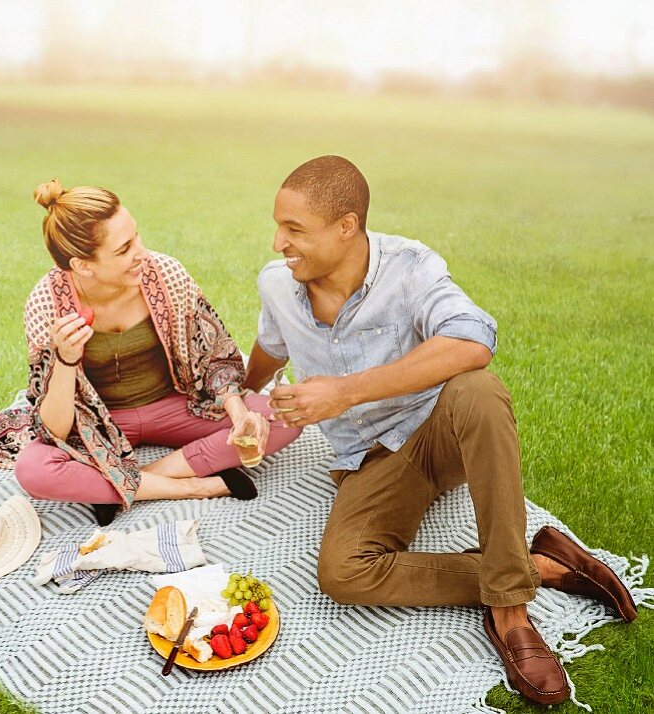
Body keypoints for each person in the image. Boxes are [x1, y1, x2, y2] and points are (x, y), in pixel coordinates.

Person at [243, 156, 637, 706]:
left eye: (294, 230)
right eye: (278, 225)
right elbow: (270, 346)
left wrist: (344, 390)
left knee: (479, 388)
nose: (277, 242)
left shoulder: (410, 267)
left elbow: (473, 340)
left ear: (346, 226)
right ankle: (539, 566)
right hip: (366, 460)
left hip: (438, 430)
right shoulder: (279, 286)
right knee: (343, 574)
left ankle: (509, 613)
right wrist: (241, 395)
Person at [0, 179, 301, 526]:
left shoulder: (166, 275)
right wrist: (64, 359)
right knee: (33, 469)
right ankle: (195, 485)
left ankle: (123, 483)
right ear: (83, 265)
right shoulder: (47, 304)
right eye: (124, 249)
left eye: (136, 235)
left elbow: (214, 357)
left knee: (284, 415)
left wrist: (238, 414)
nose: (141, 253)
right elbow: (56, 429)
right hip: (101, 422)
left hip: (176, 406)